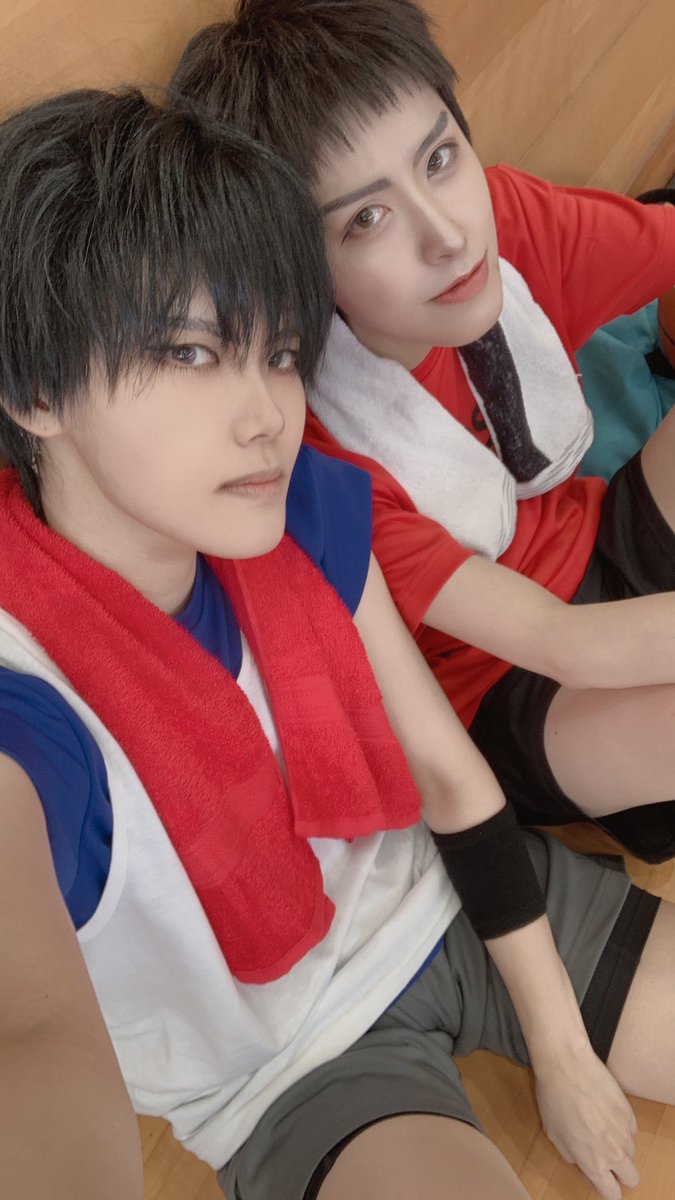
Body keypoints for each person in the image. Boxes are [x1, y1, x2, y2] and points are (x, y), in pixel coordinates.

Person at [0, 85, 672, 1200]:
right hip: (290, 1069)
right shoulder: (26, 703)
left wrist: (560, 1046)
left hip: (462, 894)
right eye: (190, 352)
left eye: (275, 351)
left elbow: (451, 780)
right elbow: (30, 1041)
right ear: (34, 389)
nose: (265, 413)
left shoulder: (300, 502)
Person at [169, 0, 675, 866]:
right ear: (299, 273)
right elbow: (568, 647)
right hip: (518, 689)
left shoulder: (502, 224)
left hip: (600, 539)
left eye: (438, 160)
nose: (446, 235)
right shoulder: (312, 449)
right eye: (365, 219)